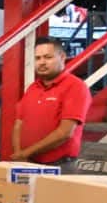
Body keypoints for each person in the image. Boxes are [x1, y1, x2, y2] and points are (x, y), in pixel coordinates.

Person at [12, 37, 90, 171]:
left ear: (62, 57)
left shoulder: (75, 87)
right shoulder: (32, 88)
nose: (42, 62)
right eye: (37, 58)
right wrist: (19, 154)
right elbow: (19, 124)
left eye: (48, 57)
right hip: (28, 163)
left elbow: (65, 133)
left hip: (59, 166)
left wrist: (25, 153)